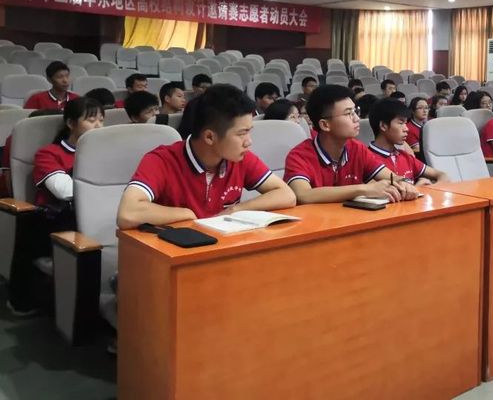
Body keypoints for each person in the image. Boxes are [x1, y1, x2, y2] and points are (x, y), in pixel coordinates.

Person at [117, 84, 295, 228]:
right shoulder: (162, 160)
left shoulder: (240, 158)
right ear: (209, 137)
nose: (249, 142)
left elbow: (287, 195)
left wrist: (237, 209)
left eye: (250, 132)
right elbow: (128, 213)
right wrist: (187, 214)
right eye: (242, 133)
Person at [8, 99, 105, 315]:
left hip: (97, 217)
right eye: (91, 120)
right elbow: (65, 191)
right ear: (71, 123)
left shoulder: (105, 154)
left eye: (101, 120)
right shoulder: (49, 153)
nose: (99, 126)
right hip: (58, 221)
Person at [283, 85, 419, 204]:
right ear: (325, 125)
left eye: (355, 111)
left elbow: (391, 177)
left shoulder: (357, 148)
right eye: (348, 113)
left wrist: (404, 184)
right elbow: (303, 195)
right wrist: (364, 189)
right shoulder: (299, 156)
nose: (357, 118)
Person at [367, 99, 448, 185]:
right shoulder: (366, 159)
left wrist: (430, 187)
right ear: (383, 126)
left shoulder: (405, 156)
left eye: (406, 123)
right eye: (401, 123)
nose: (406, 129)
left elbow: (443, 175)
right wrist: (418, 187)